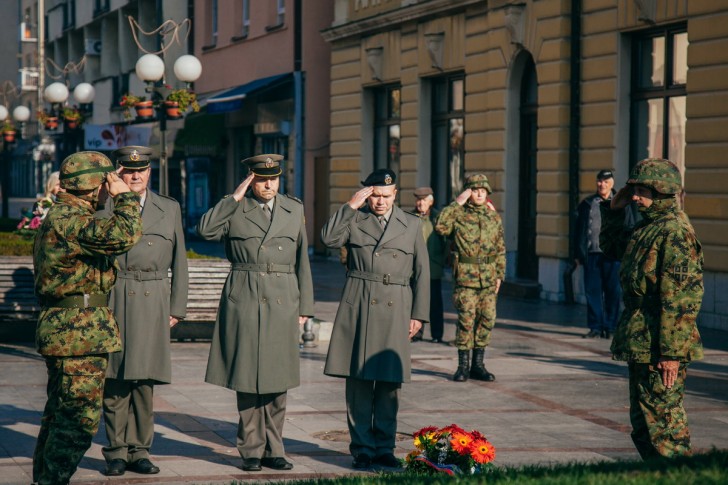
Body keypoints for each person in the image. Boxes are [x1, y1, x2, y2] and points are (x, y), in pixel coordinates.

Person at [197, 154, 314, 472]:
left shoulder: (294, 208)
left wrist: (306, 306)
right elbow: (205, 230)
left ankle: (275, 448)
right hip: (245, 297)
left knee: (279, 378)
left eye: (273, 179)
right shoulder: (236, 207)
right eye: (262, 179)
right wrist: (233, 197)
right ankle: (250, 448)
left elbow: (302, 259)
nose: (268, 185)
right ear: (250, 179)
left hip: (282, 298)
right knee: (247, 377)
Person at [32, 151, 142, 485]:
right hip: (78, 333)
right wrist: (125, 197)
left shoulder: (65, 215)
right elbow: (126, 234)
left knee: (58, 415)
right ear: (94, 185)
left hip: (71, 330)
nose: (112, 187)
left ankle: (45, 479)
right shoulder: (71, 220)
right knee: (77, 421)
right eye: (107, 181)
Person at [321, 168, 429, 469]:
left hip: (396, 307)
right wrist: (351, 205)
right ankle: (362, 449)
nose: (380, 202)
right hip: (359, 303)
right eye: (374, 196)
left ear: (395, 195)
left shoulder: (411, 224)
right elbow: (328, 239)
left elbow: (422, 273)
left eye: (385, 196)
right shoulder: (354, 220)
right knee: (358, 381)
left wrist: (419, 314)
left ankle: (384, 446)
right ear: (367, 195)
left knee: (389, 381)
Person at [600, 158, 703, 460]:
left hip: (660, 344)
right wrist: (613, 211)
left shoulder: (674, 233)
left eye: (642, 190)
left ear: (662, 191)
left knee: (664, 426)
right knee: (644, 425)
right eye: (634, 189)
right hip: (642, 339)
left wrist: (671, 354)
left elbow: (681, 300)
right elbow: (612, 248)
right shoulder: (648, 227)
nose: (635, 196)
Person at [100, 146, 189, 476]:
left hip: (153, 298)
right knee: (115, 379)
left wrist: (177, 307)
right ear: (118, 173)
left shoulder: (168, 208)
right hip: (115, 296)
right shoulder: (104, 206)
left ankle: (140, 451)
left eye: (142, 170)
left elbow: (180, 260)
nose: (135, 176)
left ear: (150, 171)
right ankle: (116, 451)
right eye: (128, 170)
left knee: (144, 381)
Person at [435, 174, 505, 382]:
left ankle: (478, 365)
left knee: (487, 320)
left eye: (483, 190)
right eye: (475, 190)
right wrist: (458, 202)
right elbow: (440, 226)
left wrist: (500, 274)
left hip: (489, 279)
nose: (480, 193)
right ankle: (462, 367)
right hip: (466, 279)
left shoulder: (493, 217)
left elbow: (500, 248)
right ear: (468, 193)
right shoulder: (459, 215)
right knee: (466, 321)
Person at [574, 169, 621, 339]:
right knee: (592, 292)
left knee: (613, 292)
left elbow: (628, 227)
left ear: (612, 183)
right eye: (599, 181)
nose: (602, 184)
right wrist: (577, 254)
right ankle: (595, 326)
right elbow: (578, 230)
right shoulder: (587, 203)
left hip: (613, 256)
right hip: (592, 254)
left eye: (606, 181)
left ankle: (610, 326)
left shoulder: (620, 202)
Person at [413, 186, 447, 343]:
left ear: (430, 202)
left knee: (435, 304)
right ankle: (416, 333)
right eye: (418, 200)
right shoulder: (410, 217)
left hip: (433, 268)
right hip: (413, 269)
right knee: (415, 302)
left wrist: (441, 261)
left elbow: (446, 242)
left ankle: (437, 335)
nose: (420, 203)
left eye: (424, 200)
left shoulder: (437, 218)